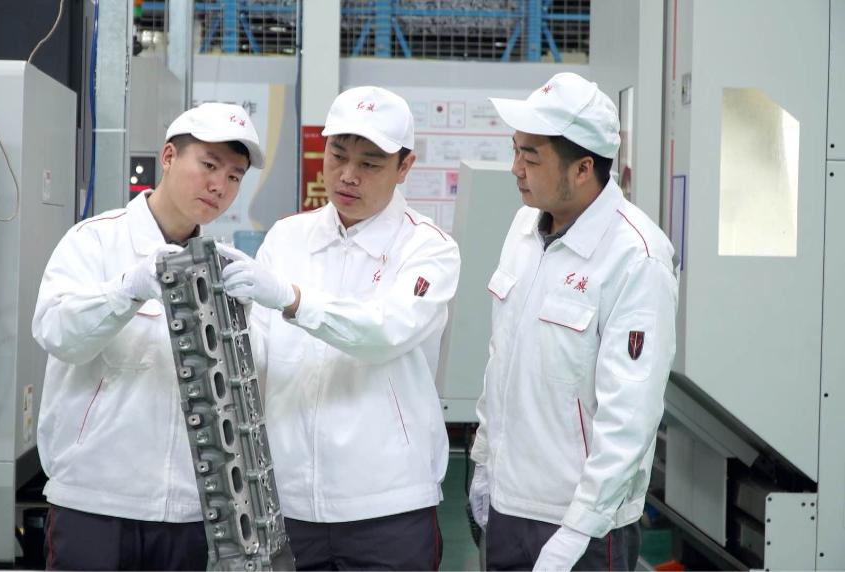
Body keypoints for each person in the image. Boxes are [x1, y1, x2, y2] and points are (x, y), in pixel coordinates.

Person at [217, 86, 460, 571]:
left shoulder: (428, 248)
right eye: (337, 155)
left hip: (388, 506)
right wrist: (229, 319)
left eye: (369, 163)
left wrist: (293, 299)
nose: (348, 175)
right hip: (286, 502)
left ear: (404, 167)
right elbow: (258, 356)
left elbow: (384, 332)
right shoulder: (288, 237)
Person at [31, 102, 263, 571]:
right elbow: (56, 332)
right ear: (169, 157)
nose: (219, 186)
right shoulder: (95, 241)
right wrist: (126, 290)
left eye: (235, 176)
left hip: (192, 512)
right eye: (209, 165)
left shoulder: (224, 269)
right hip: (94, 503)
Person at [468, 72, 679, 571]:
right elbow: (502, 359)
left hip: (581, 526)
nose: (515, 169)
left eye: (530, 157)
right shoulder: (525, 227)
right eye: (515, 150)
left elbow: (630, 416)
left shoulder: (636, 257)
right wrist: (483, 463)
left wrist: (579, 530)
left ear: (584, 168)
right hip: (507, 506)